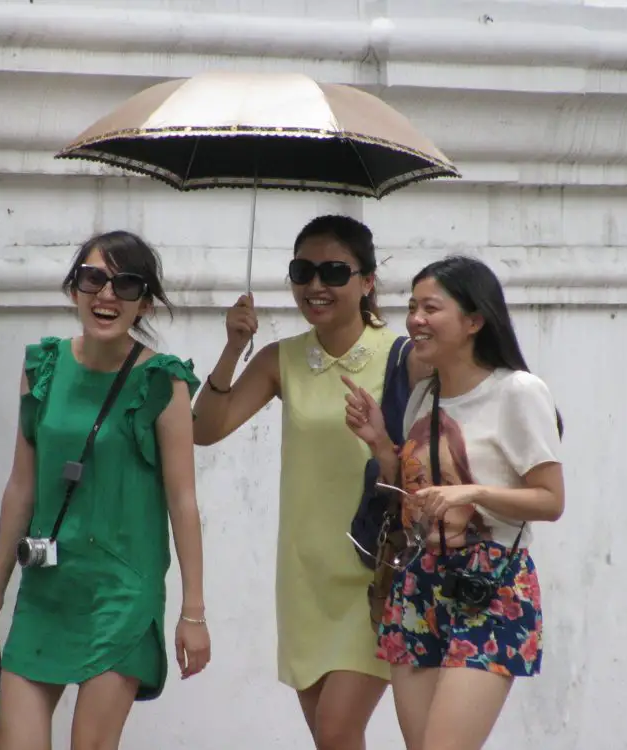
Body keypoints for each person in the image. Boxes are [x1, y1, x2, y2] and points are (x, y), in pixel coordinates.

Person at [0, 230, 211, 750]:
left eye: (126, 284)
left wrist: (193, 612)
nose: (107, 295)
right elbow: (21, 486)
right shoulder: (44, 368)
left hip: (121, 593)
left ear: (144, 302)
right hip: (47, 589)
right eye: (93, 278)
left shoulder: (162, 382)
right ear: (74, 288)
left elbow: (183, 502)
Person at [192, 215, 428, 750]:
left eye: (333, 271)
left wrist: (381, 445)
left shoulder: (405, 359)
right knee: (331, 740)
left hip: (373, 575)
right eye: (303, 271)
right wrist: (233, 348)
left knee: (337, 729)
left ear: (367, 280)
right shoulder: (284, 359)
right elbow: (203, 429)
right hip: (304, 577)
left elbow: (426, 468)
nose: (315, 286)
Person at [343, 255, 565, 750]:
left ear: (474, 320)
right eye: (412, 307)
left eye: (431, 308)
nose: (415, 320)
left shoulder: (518, 392)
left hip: (490, 584)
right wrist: (381, 444)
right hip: (419, 582)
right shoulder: (425, 396)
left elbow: (551, 500)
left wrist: (474, 493)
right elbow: (415, 492)